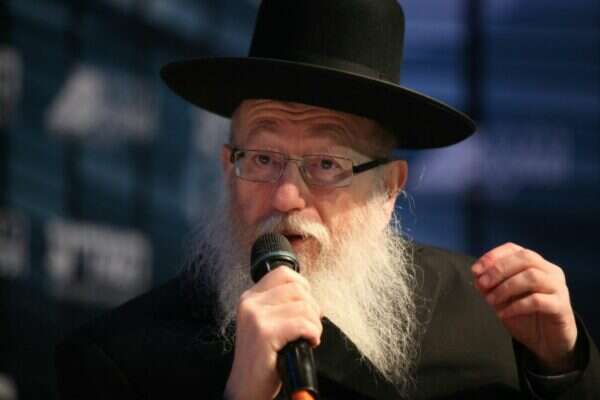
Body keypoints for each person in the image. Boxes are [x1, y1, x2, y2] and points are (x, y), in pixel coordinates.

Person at [55, 0, 600, 399]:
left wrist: (560, 368)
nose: (287, 196)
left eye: (326, 165)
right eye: (261, 159)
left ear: (389, 190)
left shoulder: (487, 321)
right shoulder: (119, 362)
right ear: (227, 168)